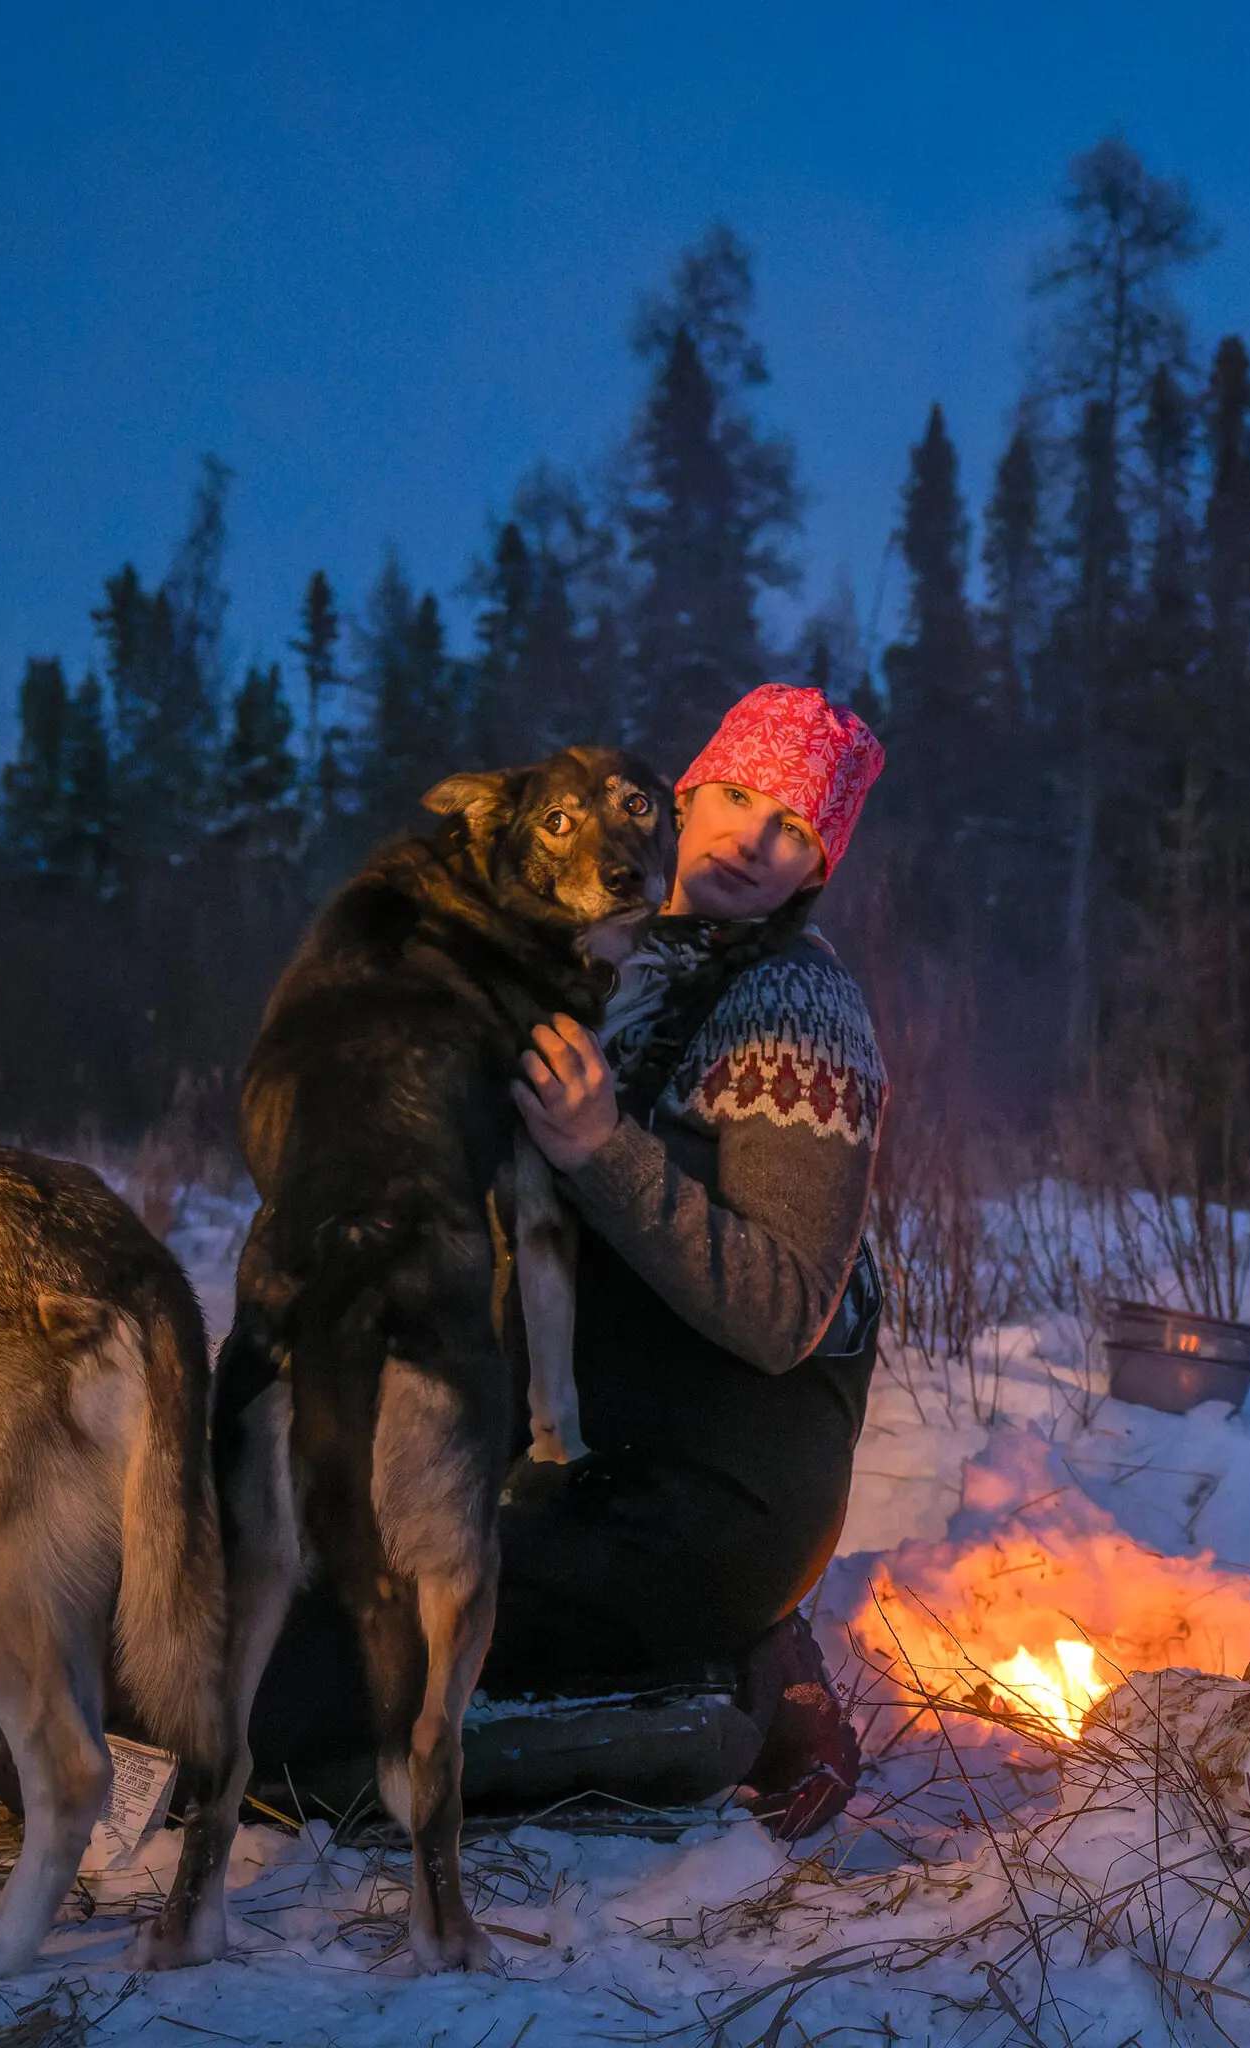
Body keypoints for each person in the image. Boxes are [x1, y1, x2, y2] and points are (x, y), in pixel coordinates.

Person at [249, 684, 887, 1836]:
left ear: (818, 865)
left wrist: (603, 1150)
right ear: (677, 800)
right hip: (536, 1461)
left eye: (793, 826)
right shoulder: (583, 958)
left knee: (292, 1695)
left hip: (697, 1486)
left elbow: (786, 1310)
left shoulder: (797, 1003)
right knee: (220, 1609)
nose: (750, 838)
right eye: (736, 796)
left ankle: (713, 1712)